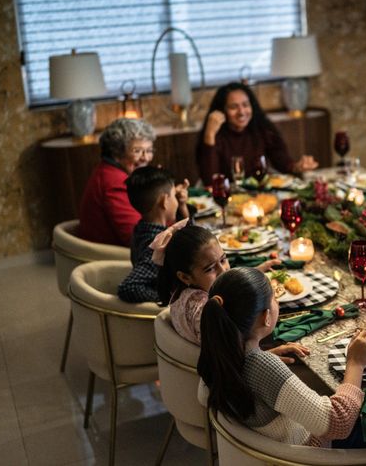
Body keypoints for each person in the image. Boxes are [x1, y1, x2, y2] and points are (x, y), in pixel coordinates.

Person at [197, 268, 366, 446]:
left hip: (272, 451)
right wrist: (355, 362)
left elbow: (202, 396)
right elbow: (339, 422)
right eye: (274, 298)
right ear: (266, 317)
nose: (277, 302)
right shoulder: (261, 367)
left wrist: (264, 357)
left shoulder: (217, 357)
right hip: (311, 453)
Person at [154, 225, 302, 363]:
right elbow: (232, 361)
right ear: (185, 277)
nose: (223, 270)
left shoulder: (184, 294)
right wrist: (270, 356)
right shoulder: (206, 312)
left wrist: (253, 274)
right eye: (210, 269)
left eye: (223, 260)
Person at [197, 82, 318, 185]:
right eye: (233, 107)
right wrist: (209, 135)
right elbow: (209, 182)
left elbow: (283, 163)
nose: (241, 112)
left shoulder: (261, 127)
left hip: (259, 194)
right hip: (227, 196)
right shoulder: (215, 134)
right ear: (222, 111)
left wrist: (297, 166)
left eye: (245, 105)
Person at [116, 167, 190, 303]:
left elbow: (190, 239)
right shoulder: (158, 243)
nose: (176, 200)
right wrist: (171, 298)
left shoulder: (141, 228)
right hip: (164, 311)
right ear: (164, 201)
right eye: (174, 196)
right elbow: (129, 286)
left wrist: (182, 207)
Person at [79, 118, 156, 246]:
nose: (145, 158)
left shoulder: (107, 171)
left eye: (149, 151)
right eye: (137, 151)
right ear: (117, 153)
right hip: (114, 255)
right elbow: (138, 239)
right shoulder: (114, 182)